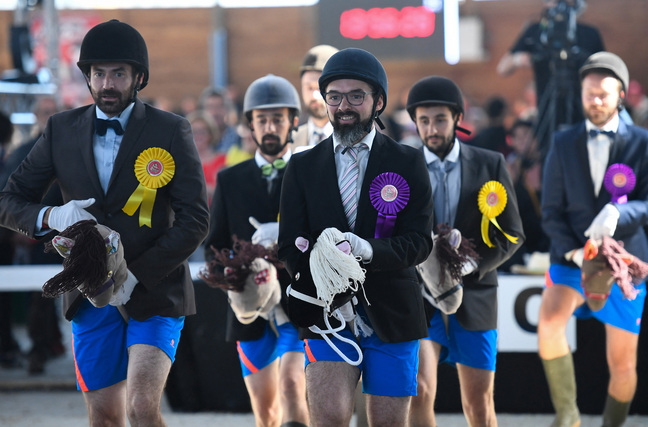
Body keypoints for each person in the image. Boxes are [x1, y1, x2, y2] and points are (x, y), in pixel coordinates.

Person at [0, 19, 209, 426]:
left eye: (118, 73)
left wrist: (136, 275)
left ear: (138, 77)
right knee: (104, 416)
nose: (107, 83)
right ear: (87, 77)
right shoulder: (60, 129)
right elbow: (8, 200)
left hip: (155, 291)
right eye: (98, 73)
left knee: (142, 409)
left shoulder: (171, 130)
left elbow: (195, 218)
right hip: (88, 291)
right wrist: (50, 215)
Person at [278, 47, 434, 426]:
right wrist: (330, 282)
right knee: (328, 418)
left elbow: (419, 242)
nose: (343, 105)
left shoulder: (408, 161)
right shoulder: (300, 166)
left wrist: (368, 250)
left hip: (393, 312)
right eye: (334, 96)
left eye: (356, 96)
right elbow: (288, 245)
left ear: (377, 101)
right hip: (327, 314)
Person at [405, 76, 524, 426]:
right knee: (419, 391)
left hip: (476, 295)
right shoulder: (401, 168)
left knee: (478, 403)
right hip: (420, 297)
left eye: (439, 119)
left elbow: (513, 234)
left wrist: (472, 264)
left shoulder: (491, 164)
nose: (431, 128)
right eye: (423, 120)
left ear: (458, 117)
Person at [539, 51, 648, 427]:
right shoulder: (562, 141)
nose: (596, 101)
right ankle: (567, 416)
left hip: (624, 261)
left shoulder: (643, 142)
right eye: (589, 94)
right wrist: (571, 251)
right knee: (550, 322)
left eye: (603, 94)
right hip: (570, 256)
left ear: (621, 95)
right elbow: (550, 208)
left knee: (623, 362)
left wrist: (620, 212)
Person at [204, 74, 308, 427]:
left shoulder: (311, 173)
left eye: (278, 118)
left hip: (300, 303)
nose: (270, 126)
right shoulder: (230, 180)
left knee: (293, 384)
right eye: (262, 119)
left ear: (293, 121)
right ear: (250, 124)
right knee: (266, 412)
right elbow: (214, 244)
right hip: (249, 308)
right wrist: (230, 274)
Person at [0, 96, 66, 375]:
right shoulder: (21, 153)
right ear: (37, 116)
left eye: (54, 112)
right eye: (45, 112)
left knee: (48, 295)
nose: (49, 117)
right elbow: (10, 195)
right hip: (31, 236)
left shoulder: (73, 151)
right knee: (39, 296)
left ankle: (47, 345)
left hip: (66, 234)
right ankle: (39, 348)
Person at [497, 0, 604, 158]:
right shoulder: (536, 31)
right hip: (547, 112)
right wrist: (519, 59)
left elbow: (605, 72)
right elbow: (502, 68)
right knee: (550, 161)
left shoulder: (589, 33)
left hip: (584, 113)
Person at [292, 44, 338, 152]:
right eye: (309, 88)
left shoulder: (357, 141)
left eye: (321, 88)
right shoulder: (289, 142)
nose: (315, 96)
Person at [186, 110, 225, 205]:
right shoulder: (182, 162)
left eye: (202, 131)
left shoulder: (223, 160)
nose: (198, 136)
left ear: (211, 133)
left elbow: (225, 191)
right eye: (194, 131)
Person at [199, 86, 241, 154]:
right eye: (210, 107)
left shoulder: (238, 139)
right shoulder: (196, 139)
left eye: (219, 106)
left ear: (227, 109)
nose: (214, 112)